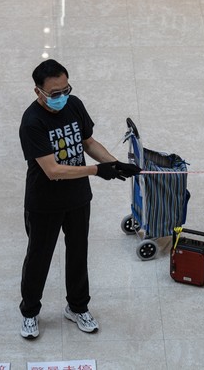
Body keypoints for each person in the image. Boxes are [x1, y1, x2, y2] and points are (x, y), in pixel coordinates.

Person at [18, 59, 140, 339]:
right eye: (54, 93)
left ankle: (77, 307)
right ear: (38, 92)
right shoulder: (32, 122)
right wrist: (98, 171)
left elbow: (88, 143)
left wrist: (116, 163)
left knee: (78, 253)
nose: (62, 97)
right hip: (44, 202)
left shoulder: (74, 105)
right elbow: (52, 170)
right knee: (39, 258)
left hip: (77, 197)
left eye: (66, 89)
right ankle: (30, 313)